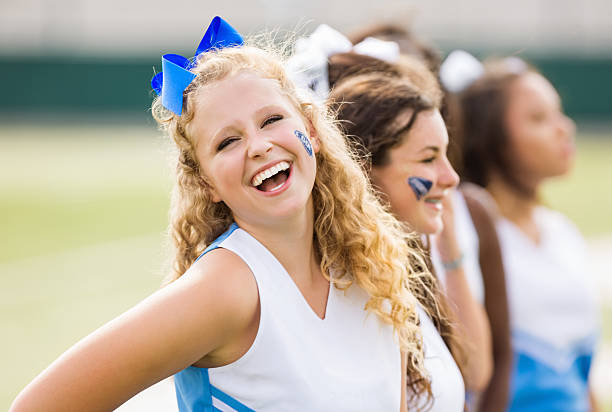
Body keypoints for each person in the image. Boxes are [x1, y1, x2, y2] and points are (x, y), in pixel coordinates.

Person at [10, 17, 451, 412]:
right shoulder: (226, 288)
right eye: (227, 142)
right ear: (206, 183)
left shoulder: (369, 262)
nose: (258, 146)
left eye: (272, 119)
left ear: (312, 132)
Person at [326, 53, 493, 411]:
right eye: (428, 158)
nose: (451, 177)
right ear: (363, 171)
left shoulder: (397, 270)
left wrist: (447, 245)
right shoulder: (339, 287)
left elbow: (475, 372)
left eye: (446, 155)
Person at [448, 56, 600, 412]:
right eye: (538, 119)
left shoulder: (561, 231)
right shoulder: (464, 233)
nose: (564, 128)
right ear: (492, 139)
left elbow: (583, 370)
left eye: (559, 113)